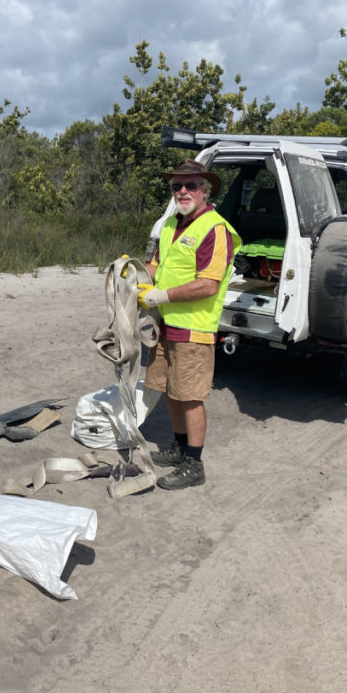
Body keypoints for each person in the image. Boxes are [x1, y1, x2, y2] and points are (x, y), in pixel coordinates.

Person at [139, 159, 237, 490]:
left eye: (191, 185)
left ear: (205, 191)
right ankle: (179, 448)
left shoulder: (215, 229)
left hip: (194, 329)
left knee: (191, 396)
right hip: (163, 327)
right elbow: (154, 266)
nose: (183, 191)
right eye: (177, 186)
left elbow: (208, 284)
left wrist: (161, 295)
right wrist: (132, 275)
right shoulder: (169, 225)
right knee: (169, 390)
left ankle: (194, 464)